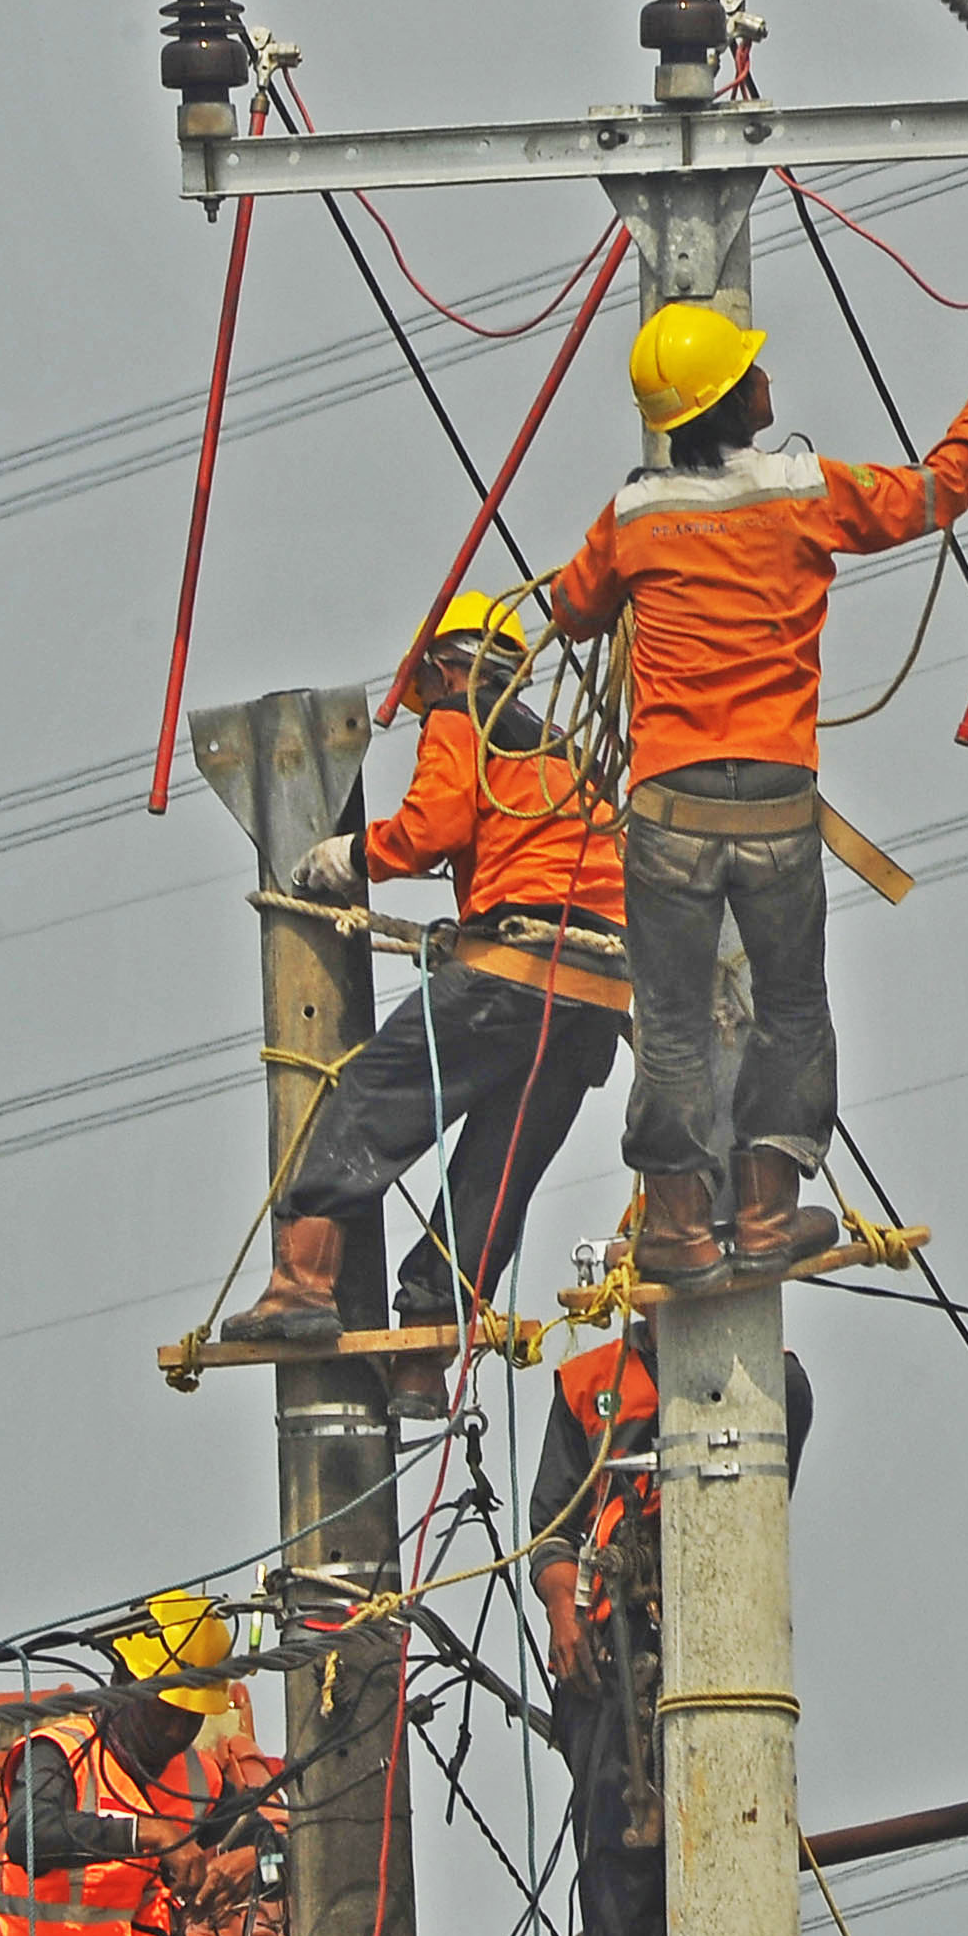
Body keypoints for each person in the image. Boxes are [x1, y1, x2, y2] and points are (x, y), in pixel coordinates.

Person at [543, 303, 968, 1291]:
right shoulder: (806, 491)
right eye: (751, 371)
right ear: (731, 400)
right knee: (791, 1006)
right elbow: (936, 493)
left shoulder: (632, 516)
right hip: (772, 804)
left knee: (672, 1019)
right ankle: (764, 1215)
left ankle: (679, 1229)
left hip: (669, 808)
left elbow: (573, 609)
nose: (768, 379)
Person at [220, 591, 633, 1419]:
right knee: (496, 1171)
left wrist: (356, 855)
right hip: (596, 995)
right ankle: (422, 1357)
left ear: (447, 668)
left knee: (373, 1102)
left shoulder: (462, 717)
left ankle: (302, 1284)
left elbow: (433, 825)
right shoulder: (567, 752)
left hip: (513, 973)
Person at [531, 1315, 818, 1936]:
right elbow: (552, 1530)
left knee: (739, 1791)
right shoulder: (589, 1387)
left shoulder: (767, 1379)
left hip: (717, 1628)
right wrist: (564, 1612)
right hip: (614, 1632)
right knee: (617, 1800)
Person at [0, 1591, 288, 1936]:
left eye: (192, 1717)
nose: (177, 1731)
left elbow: (279, 1848)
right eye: (167, 1710)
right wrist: (150, 1834)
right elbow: (30, 1836)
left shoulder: (196, 1775)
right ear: (126, 1684)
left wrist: (259, 1862)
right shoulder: (58, 1754)